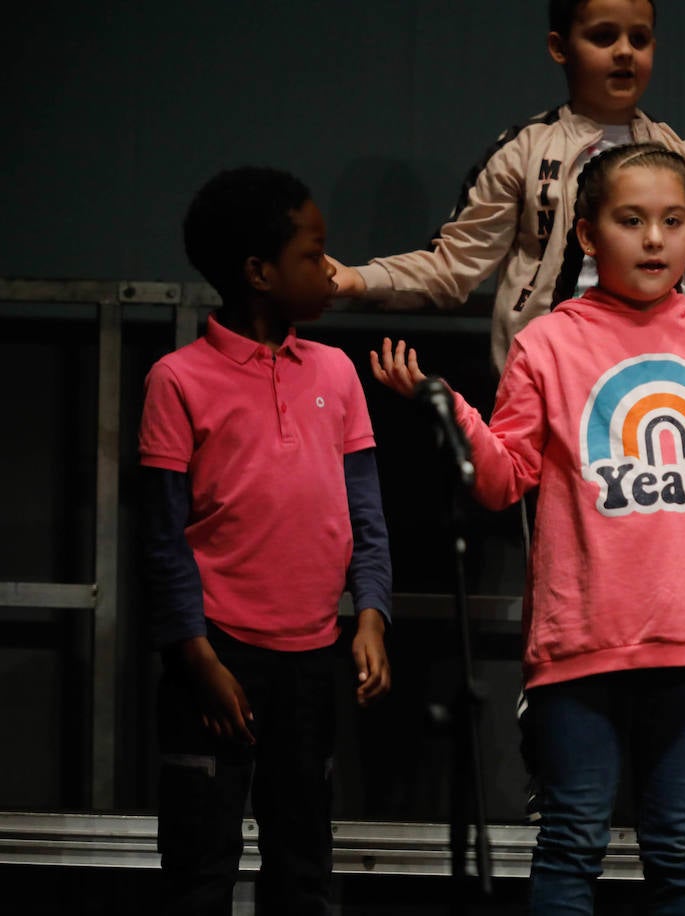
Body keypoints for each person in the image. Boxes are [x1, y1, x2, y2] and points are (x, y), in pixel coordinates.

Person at [373, 142, 685, 914]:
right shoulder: (549, 342)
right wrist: (450, 409)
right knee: (573, 840)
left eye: (674, 221)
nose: (654, 239)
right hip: (585, 639)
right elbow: (506, 480)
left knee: (681, 846)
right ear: (586, 234)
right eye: (631, 220)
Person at [330, 0, 685, 375]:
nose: (625, 51)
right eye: (604, 36)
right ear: (560, 47)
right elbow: (450, 267)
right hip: (556, 383)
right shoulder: (525, 152)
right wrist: (357, 279)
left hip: (669, 385)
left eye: (639, 38)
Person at [139, 166, 393, 915]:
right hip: (217, 657)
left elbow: (365, 513)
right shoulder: (177, 380)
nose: (329, 270)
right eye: (314, 255)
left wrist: (370, 615)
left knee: (304, 868)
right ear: (259, 271)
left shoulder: (337, 373)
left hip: (311, 658)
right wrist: (198, 659)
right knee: (200, 867)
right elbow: (163, 537)